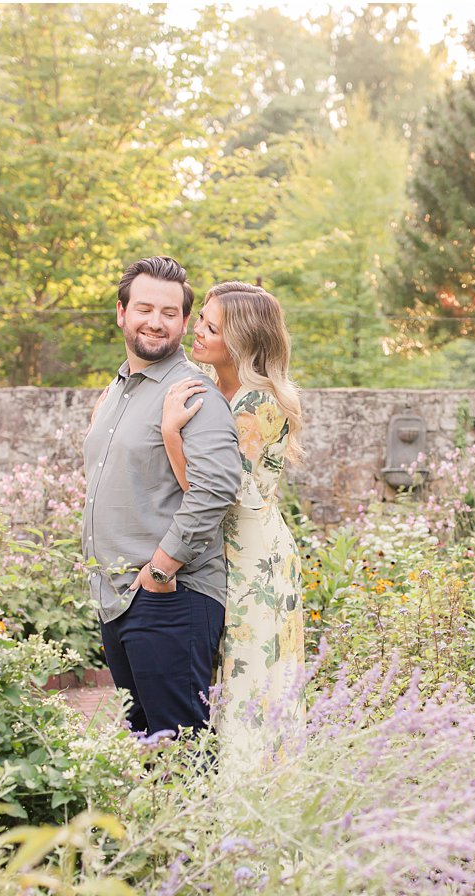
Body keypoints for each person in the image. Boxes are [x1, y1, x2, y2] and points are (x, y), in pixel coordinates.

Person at [81, 256, 242, 738]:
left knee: (182, 750)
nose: (156, 321)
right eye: (145, 308)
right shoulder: (116, 392)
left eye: (169, 313)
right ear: (121, 312)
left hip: (170, 597)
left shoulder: (192, 393)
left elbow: (215, 489)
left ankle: (199, 820)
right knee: (146, 745)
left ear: (184, 321)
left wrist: (158, 573)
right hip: (120, 599)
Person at [159, 281, 305, 764]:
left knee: (251, 686)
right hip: (224, 554)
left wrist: (171, 435)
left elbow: (218, 493)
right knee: (220, 684)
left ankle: (250, 807)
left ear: (240, 340)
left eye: (210, 327)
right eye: (200, 319)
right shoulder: (215, 391)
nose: (195, 331)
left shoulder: (255, 404)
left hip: (254, 560)